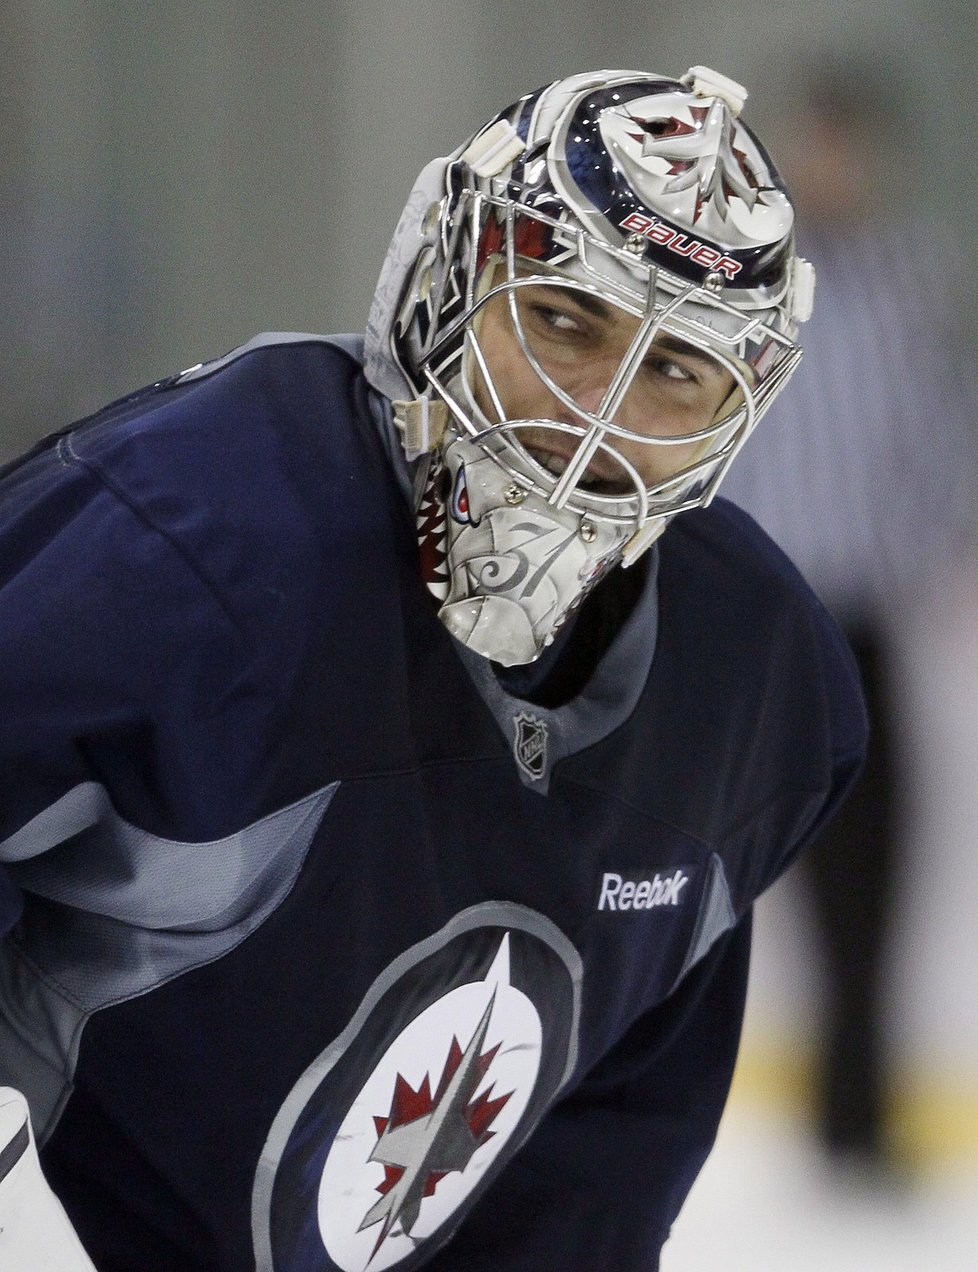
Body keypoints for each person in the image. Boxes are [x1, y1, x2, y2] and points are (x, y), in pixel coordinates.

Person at [0, 66, 865, 1271]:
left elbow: (594, 1169)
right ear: (444, 273)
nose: (594, 415)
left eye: (673, 371)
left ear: (740, 405)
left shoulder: (761, 682)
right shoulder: (177, 544)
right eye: (565, 318)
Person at [720, 58, 976, 1174]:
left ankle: (854, 1114)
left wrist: (949, 555)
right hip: (746, 609)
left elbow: (938, 441)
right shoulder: (742, 280)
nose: (834, 164)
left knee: (876, 872)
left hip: (863, 614)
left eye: (849, 144)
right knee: (693, 849)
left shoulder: (913, 280)